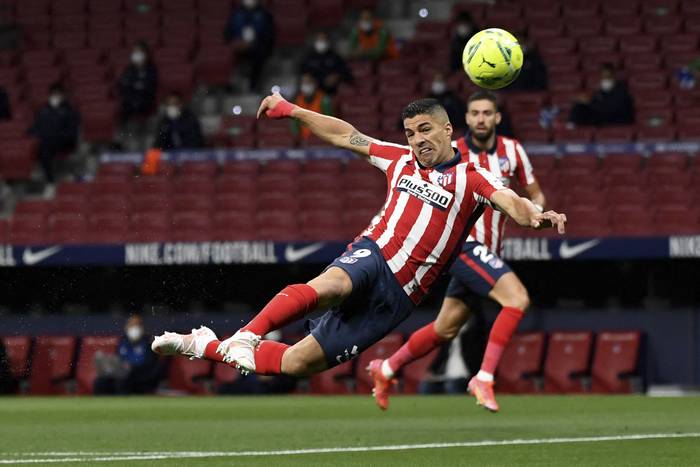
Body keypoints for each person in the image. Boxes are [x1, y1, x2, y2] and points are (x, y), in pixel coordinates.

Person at [151, 93, 566, 387]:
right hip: (376, 251)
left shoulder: (472, 177)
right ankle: (247, 334)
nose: (417, 140)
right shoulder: (399, 158)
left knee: (298, 363)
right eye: (410, 132)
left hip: (400, 296)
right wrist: (292, 110)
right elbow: (344, 135)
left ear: (446, 129)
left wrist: (536, 217)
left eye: (425, 130)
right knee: (332, 286)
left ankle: (204, 344)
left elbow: (511, 201)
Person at [367, 90, 547, 412]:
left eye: (486, 113)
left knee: (445, 328)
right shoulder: (450, 151)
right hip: (463, 244)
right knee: (516, 299)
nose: (480, 119)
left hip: (490, 249)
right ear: (463, 120)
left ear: (497, 117)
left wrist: (535, 211)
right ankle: (485, 378)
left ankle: (387, 368)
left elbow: (534, 193)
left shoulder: (513, 151)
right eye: (474, 113)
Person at [28, 82, 80, 187]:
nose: (55, 97)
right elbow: (36, 126)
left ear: (63, 95)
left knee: (43, 147)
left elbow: (71, 133)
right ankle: (29, 175)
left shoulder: (70, 111)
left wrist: (57, 136)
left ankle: (50, 180)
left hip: (64, 141)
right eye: (53, 94)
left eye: (58, 94)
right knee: (36, 145)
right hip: (46, 141)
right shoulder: (43, 110)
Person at [94, 314, 161, 395]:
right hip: (122, 373)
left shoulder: (149, 343)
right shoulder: (123, 341)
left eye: (136, 325)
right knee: (101, 381)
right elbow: (118, 360)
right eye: (131, 325)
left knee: (122, 380)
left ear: (142, 328)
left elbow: (151, 366)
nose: (134, 328)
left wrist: (132, 367)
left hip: (140, 376)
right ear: (126, 327)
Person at [223, 0, 275, 92]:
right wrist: (236, 42)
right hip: (238, 46)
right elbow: (227, 33)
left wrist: (255, 42)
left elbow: (270, 35)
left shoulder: (265, 14)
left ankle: (254, 86)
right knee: (226, 55)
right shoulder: (235, 14)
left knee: (259, 55)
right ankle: (229, 86)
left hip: (257, 46)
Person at [568, 63, 634, 127]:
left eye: (608, 77)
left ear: (614, 76)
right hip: (601, 119)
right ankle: (571, 127)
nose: (605, 80)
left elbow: (611, 109)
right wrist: (586, 101)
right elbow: (597, 104)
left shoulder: (622, 91)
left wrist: (590, 102)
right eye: (603, 77)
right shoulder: (600, 91)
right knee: (579, 105)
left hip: (616, 120)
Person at [116, 41, 158, 122]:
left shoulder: (151, 68)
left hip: (145, 98)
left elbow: (149, 85)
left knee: (143, 104)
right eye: (135, 52)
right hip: (130, 98)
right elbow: (122, 83)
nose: (136, 54)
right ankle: (125, 129)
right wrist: (135, 85)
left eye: (139, 51)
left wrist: (135, 84)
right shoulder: (129, 68)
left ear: (145, 53)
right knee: (124, 105)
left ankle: (143, 127)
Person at [292, 73, 333, 140]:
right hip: (304, 140)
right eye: (304, 83)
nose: (306, 85)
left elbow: (330, 122)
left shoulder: (324, 100)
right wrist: (298, 137)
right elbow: (294, 123)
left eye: (308, 82)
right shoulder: (298, 100)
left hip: (321, 139)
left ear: (315, 83)